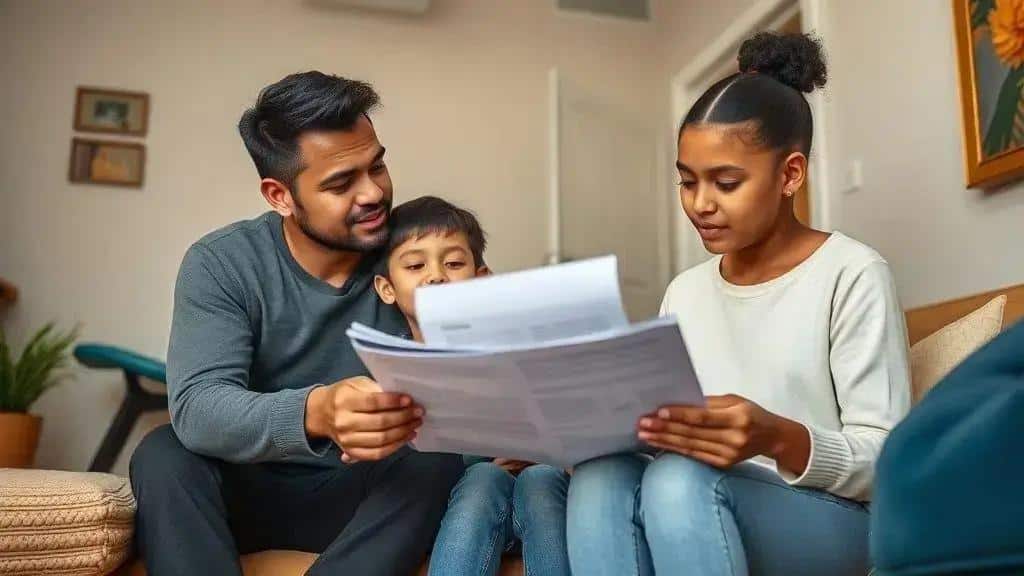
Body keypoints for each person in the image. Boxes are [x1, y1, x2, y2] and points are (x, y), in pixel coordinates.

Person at [566, 32, 911, 576]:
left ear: (790, 174)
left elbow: (890, 461)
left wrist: (776, 435)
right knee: (598, 477)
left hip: (834, 520)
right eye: (686, 182)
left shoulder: (853, 273)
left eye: (726, 183)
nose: (701, 204)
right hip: (699, 498)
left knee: (679, 481)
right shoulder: (684, 291)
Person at [129, 72, 464, 576]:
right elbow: (198, 407)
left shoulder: (417, 260)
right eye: (340, 183)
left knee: (433, 457)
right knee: (163, 451)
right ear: (279, 195)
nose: (373, 193)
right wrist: (318, 410)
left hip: (362, 503)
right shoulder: (223, 263)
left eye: (377, 166)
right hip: (244, 495)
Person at [371, 195, 571, 576]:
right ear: (387, 288)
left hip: (536, 494)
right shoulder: (389, 370)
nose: (435, 276)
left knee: (542, 478)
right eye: (415, 265)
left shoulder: (513, 352)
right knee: (484, 477)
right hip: (457, 506)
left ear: (481, 279)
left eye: (454, 263)